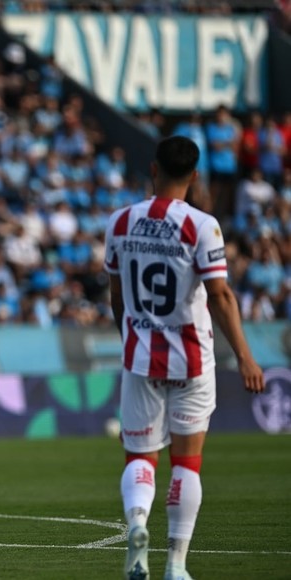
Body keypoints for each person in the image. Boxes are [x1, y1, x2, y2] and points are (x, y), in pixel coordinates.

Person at [103, 136, 264, 580]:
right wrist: (246, 358)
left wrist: (129, 337)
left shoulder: (120, 222)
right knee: (187, 463)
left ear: (153, 169)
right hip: (192, 359)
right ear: (194, 176)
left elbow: (116, 295)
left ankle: (137, 524)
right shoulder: (202, 226)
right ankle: (176, 564)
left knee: (139, 456)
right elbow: (220, 295)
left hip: (140, 357)